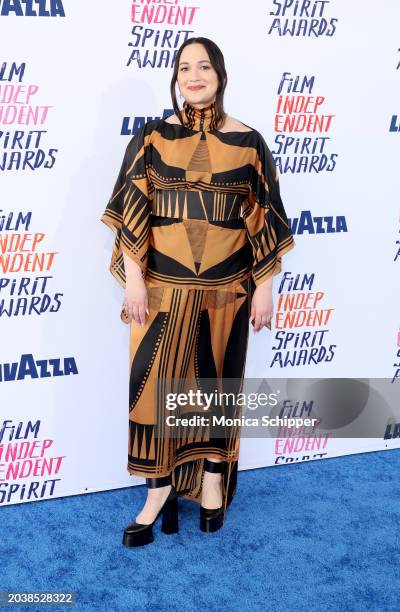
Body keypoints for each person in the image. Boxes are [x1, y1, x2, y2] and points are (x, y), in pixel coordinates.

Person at [100, 36, 296, 547]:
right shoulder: (152, 137)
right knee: (150, 396)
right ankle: (157, 490)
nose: (194, 75)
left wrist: (265, 290)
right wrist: (135, 280)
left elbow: (264, 222)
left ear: (220, 74)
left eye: (204, 66)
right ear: (176, 78)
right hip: (160, 293)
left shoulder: (250, 143)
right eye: (185, 67)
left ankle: (212, 482)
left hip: (225, 294)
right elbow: (131, 214)